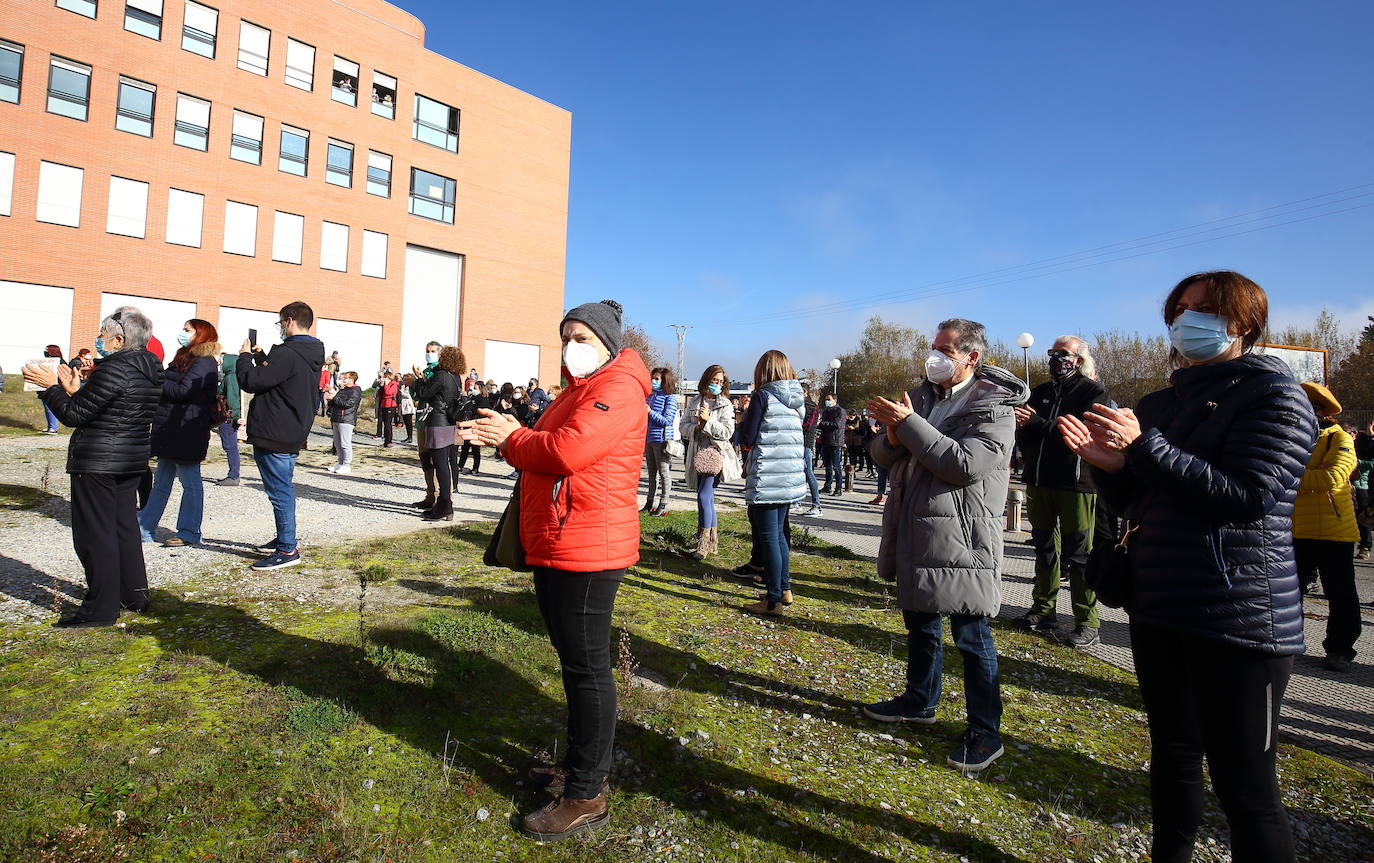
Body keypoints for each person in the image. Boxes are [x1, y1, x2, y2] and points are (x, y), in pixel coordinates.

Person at [1059, 270, 1315, 862]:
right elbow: (1146, 503)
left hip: (1240, 615)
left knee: (1246, 784)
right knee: (1172, 755)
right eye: (1179, 308)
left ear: (1243, 324)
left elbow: (1249, 496)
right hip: (1160, 602)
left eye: (1202, 308)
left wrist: (1145, 449)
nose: (1184, 320)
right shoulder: (1161, 401)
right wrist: (1111, 469)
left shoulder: (1277, 396)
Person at [458, 299, 649, 842]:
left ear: (609, 344)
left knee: (589, 671)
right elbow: (542, 448)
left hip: (590, 548)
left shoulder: (615, 389)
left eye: (583, 336)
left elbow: (568, 451)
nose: (571, 345)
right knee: (573, 664)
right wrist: (511, 434)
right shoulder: (578, 389)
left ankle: (588, 792)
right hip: (562, 540)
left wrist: (512, 437)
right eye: (566, 334)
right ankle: (577, 765)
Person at [863, 317, 1029, 775]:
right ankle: (919, 700)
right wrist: (894, 433)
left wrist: (908, 425)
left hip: (964, 538)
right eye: (933, 346)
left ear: (971, 357)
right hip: (918, 529)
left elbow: (964, 464)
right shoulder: (921, 397)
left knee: (971, 637)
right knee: (920, 623)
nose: (933, 356)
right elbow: (881, 454)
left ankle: (985, 730)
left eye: (945, 349)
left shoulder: (994, 407)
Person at [23, 309, 162, 626]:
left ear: (119, 339)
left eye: (103, 334)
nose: (99, 339)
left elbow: (73, 416)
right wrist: (76, 391)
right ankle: (133, 593)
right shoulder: (150, 368)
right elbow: (111, 408)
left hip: (100, 461)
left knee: (94, 535)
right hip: (130, 460)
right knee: (123, 528)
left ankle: (100, 608)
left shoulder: (114, 368)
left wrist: (50, 389)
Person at [1012, 335, 1108, 647]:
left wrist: (1038, 423)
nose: (1056, 358)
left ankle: (1086, 620)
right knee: (1044, 548)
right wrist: (1025, 431)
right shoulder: (1040, 391)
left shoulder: (1093, 392)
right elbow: (1025, 430)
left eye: (1063, 353)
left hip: (1076, 485)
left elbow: (1078, 432)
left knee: (1079, 555)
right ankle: (1043, 610)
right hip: (1039, 482)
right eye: (1052, 353)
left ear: (1079, 359)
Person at [237, 301, 326, 571]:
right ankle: (284, 537)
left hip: (275, 429)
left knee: (279, 490)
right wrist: (263, 356)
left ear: (289, 321)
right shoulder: (309, 351)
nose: (279, 328)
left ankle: (288, 548)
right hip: (291, 428)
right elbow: (279, 376)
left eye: (280, 322)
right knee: (282, 486)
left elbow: (252, 381)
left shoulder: (288, 353)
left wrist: (243, 358)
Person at [1292, 383, 1361, 673]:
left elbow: (1332, 477)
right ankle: (1288, 644)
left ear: (1320, 411)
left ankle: (1340, 649)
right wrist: (1308, 476)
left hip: (1335, 530)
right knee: (1288, 593)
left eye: (1306, 406)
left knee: (1341, 593)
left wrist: (1293, 477)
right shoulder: (1291, 438)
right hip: (1295, 529)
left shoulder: (1339, 437)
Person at [137, 319, 222, 547]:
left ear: (200, 334)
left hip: (188, 430)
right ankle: (144, 526)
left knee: (190, 482)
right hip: (170, 427)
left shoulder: (204, 362)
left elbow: (185, 391)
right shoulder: (185, 357)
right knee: (162, 481)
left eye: (187, 330)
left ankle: (189, 531)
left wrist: (158, 381)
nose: (182, 333)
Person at [737, 351, 807, 615]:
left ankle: (772, 600)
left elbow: (748, 437)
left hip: (769, 477)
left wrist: (743, 421)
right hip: (788, 477)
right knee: (779, 536)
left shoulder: (762, 396)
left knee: (768, 538)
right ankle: (785, 589)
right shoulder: (796, 399)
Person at [681, 364, 741, 560]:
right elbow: (683, 426)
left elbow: (727, 432)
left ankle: (703, 544)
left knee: (703, 496)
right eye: (714, 380)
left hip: (714, 455)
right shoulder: (695, 402)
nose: (717, 384)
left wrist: (708, 423)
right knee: (708, 499)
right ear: (706, 380)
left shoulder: (726, 404)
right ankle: (713, 541)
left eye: (721, 382)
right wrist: (696, 428)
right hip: (696, 453)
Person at [410, 346, 463, 521]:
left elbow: (424, 394)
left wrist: (417, 381)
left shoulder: (441, 376)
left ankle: (445, 505)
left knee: (440, 465)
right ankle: (443, 505)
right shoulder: (455, 377)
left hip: (438, 422)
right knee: (444, 464)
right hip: (449, 422)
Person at [409, 341, 444, 508]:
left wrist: (421, 379)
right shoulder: (426, 371)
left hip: (434, 420)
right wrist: (414, 382)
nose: (429, 354)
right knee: (424, 459)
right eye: (427, 351)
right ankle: (429, 494)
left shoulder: (439, 372)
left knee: (436, 459)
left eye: (432, 351)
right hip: (422, 420)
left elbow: (430, 392)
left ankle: (438, 496)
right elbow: (416, 396)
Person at [642, 366, 680, 517]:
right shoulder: (650, 396)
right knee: (651, 473)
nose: (653, 381)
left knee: (664, 473)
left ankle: (663, 503)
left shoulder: (670, 398)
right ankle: (649, 502)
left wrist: (650, 412)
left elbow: (667, 420)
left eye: (657, 379)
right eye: (653, 378)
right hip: (649, 439)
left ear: (665, 381)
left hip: (662, 440)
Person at [215, 349, 243, 486]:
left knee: (230, 446)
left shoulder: (230, 377)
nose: (220, 363)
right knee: (232, 446)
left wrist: (236, 416)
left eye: (222, 361)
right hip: (232, 416)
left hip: (228, 417)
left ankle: (233, 475)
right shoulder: (235, 376)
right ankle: (233, 474)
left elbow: (232, 398)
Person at [326, 371, 362, 474]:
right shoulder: (343, 390)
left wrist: (334, 397)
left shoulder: (355, 390)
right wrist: (331, 398)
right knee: (337, 443)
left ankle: (346, 465)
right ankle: (340, 463)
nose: (343, 380)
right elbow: (335, 402)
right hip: (336, 418)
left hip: (346, 419)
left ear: (352, 379)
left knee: (345, 443)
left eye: (346, 378)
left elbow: (348, 404)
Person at [796, 382, 824, 516]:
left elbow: (808, 424)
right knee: (798, 473)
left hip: (806, 443)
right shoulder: (798, 405)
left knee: (808, 472)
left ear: (805, 392)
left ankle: (816, 505)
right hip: (798, 442)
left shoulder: (811, 406)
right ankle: (796, 502)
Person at [456, 382, 489, 474]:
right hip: (468, 424)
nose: (473, 389)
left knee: (475, 448)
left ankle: (475, 468)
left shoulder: (483, 399)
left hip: (477, 425)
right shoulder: (473, 397)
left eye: (475, 388)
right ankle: (460, 466)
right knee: (465, 448)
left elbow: (481, 412)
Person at [817, 393, 846, 495]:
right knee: (828, 466)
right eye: (826, 399)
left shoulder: (840, 411)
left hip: (835, 442)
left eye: (828, 399)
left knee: (836, 466)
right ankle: (827, 486)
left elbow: (837, 424)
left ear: (834, 400)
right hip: (825, 441)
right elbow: (823, 424)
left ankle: (838, 488)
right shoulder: (826, 411)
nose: (826, 401)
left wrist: (821, 424)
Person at [1355, 421, 1374, 561]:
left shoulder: (1366, 442)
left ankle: (1365, 546)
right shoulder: (1357, 442)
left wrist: (1357, 463)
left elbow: (1371, 461)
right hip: (1347, 486)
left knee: (1363, 517)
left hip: (1363, 486)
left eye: (1353, 433)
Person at [39, 344, 64, 433]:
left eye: (46, 350)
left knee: (50, 408)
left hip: (54, 388)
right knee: (47, 408)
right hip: (45, 388)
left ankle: (53, 427)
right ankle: (50, 425)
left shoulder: (59, 362)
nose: (45, 352)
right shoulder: (47, 362)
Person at [377, 373, 400, 448]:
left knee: (388, 423)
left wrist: (386, 385)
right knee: (384, 423)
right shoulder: (385, 385)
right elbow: (378, 394)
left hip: (390, 405)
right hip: (383, 404)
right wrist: (381, 386)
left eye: (385, 378)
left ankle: (389, 441)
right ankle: (385, 441)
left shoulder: (394, 385)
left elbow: (388, 392)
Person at [397, 374, 417, 444]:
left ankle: (410, 437)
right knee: (406, 421)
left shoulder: (410, 387)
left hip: (408, 406)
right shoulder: (404, 386)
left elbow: (408, 396)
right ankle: (408, 436)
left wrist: (401, 391)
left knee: (409, 422)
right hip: (404, 405)